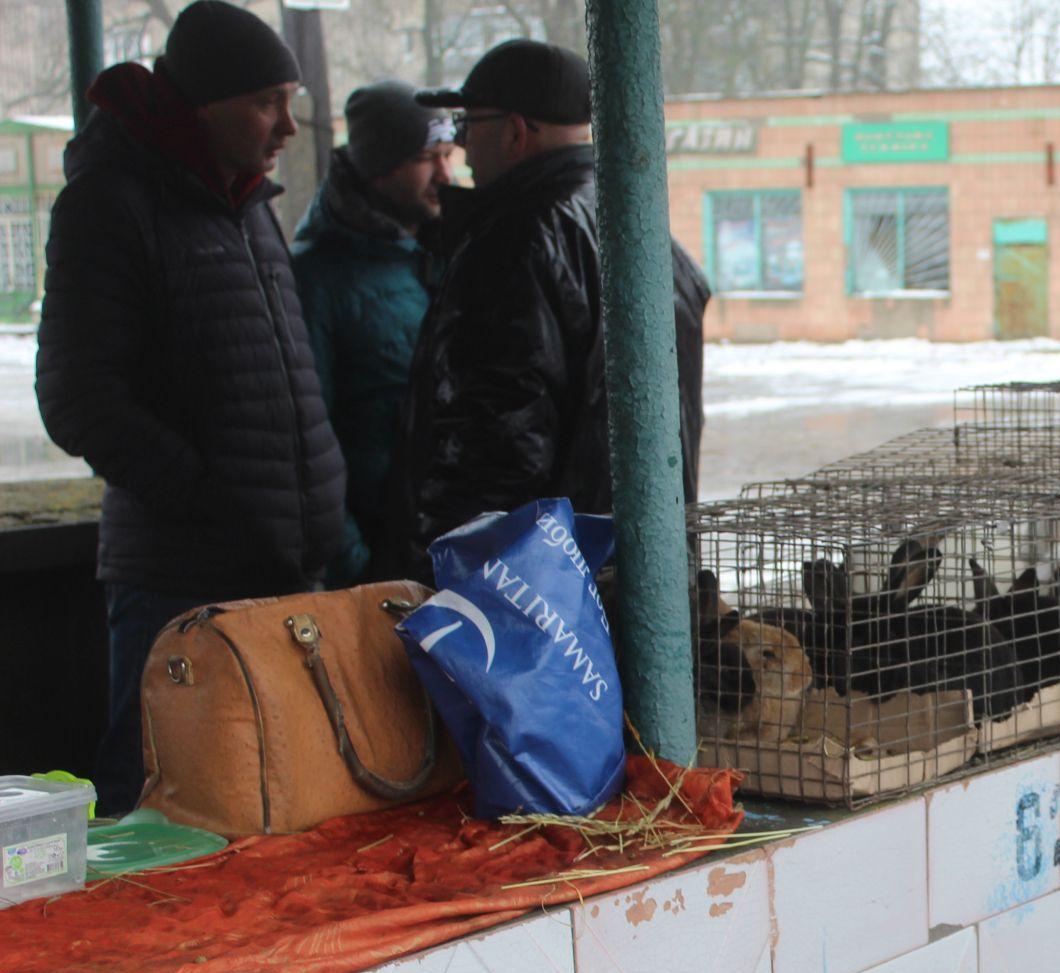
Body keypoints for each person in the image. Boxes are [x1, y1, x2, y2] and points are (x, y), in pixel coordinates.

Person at [36, 0, 345, 815]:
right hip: (177, 577)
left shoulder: (248, 208)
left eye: (290, 99)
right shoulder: (110, 206)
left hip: (278, 564)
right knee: (152, 789)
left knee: (267, 794)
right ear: (202, 106)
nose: (287, 124)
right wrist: (207, 497)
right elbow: (77, 398)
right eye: (266, 102)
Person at [387, 39, 711, 578]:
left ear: (514, 131)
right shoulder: (634, 222)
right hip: (624, 569)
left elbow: (497, 446)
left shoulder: (515, 239)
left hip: (537, 594)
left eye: (469, 126)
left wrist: (439, 574)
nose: (462, 148)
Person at [292, 81, 455, 587]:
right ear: (380, 164)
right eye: (429, 158)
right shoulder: (317, 276)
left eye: (450, 155)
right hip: (374, 562)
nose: (446, 176)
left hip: (438, 548)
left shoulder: (439, 251)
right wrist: (354, 563)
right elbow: (307, 431)